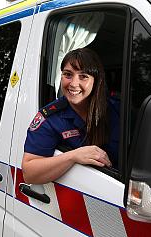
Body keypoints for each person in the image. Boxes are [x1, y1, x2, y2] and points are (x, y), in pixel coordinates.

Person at [22, 48, 119, 184]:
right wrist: (73, 156)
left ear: (96, 81)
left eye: (83, 76)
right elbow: (29, 173)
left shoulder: (115, 109)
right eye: (68, 75)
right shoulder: (50, 118)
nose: (73, 84)